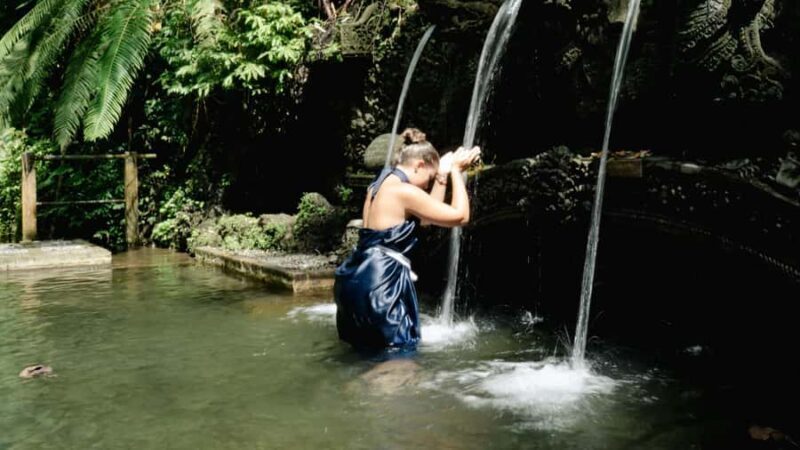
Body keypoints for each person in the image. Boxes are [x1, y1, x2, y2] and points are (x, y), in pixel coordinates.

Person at [334, 128, 481, 352]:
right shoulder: (402, 191)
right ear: (419, 165)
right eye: (429, 179)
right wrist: (457, 172)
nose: (426, 186)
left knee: (368, 359)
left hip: (356, 281)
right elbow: (460, 216)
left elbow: (426, 219)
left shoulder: (378, 185)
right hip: (381, 283)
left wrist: (440, 176)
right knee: (398, 364)